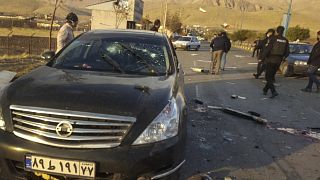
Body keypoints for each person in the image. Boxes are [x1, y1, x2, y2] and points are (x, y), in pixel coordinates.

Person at [262, 26, 289, 98]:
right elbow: (287, 52)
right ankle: (265, 89)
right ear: (283, 31)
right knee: (271, 76)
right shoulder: (285, 40)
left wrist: (262, 58)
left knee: (268, 77)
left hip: (271, 59)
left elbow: (268, 49)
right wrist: (283, 58)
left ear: (277, 31)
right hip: (279, 60)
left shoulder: (273, 38)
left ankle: (273, 91)